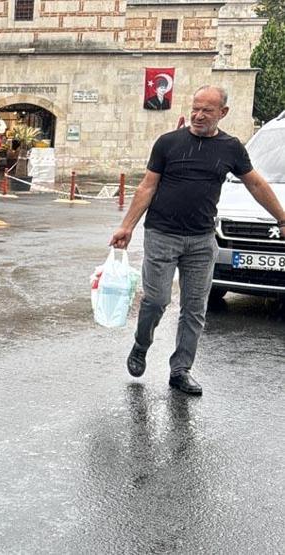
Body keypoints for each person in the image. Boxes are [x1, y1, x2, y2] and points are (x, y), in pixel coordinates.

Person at [111, 85, 285, 395]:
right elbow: (147, 188)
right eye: (195, 108)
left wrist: (282, 218)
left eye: (207, 110)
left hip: (202, 241)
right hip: (162, 235)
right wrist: (127, 227)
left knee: (194, 308)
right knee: (156, 300)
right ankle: (141, 344)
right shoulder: (168, 143)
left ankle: (181, 370)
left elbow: (256, 185)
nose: (199, 115)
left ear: (223, 113)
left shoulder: (231, 148)